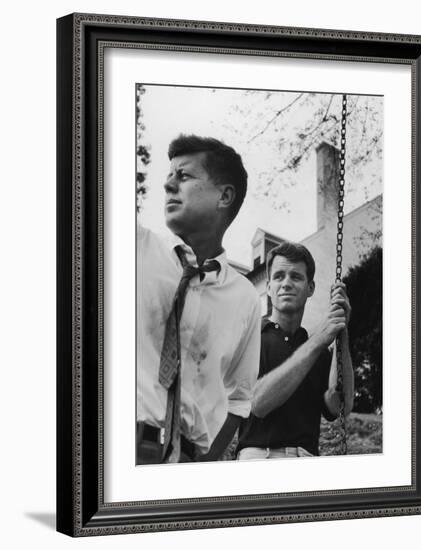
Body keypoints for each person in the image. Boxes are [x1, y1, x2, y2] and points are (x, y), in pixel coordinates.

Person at [137, 135, 261, 464]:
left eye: (184, 175)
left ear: (225, 196)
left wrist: (203, 467)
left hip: (189, 463)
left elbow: (239, 399)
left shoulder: (245, 297)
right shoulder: (131, 248)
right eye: (168, 176)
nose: (168, 185)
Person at [236, 242, 354, 460]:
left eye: (296, 277)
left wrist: (341, 332)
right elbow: (258, 403)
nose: (286, 283)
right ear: (269, 287)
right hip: (260, 459)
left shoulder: (318, 351)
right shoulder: (251, 338)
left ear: (310, 288)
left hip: (306, 460)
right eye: (279, 276)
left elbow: (339, 406)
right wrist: (319, 340)